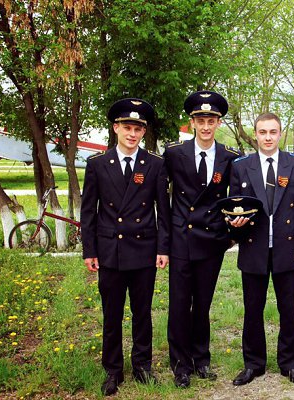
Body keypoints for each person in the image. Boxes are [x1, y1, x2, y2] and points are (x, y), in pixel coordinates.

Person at [81, 98, 171, 396]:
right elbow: (88, 211)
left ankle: (143, 365)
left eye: (138, 129)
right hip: (110, 252)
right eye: (127, 128)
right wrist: (90, 251)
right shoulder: (97, 164)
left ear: (143, 132)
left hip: (144, 249)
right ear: (116, 128)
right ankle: (113, 370)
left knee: (142, 313)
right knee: (112, 314)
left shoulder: (155, 164)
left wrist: (163, 248)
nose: (132, 134)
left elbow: (163, 211)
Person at [228, 113, 294, 386]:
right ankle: (253, 364)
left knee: (288, 308)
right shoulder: (241, 166)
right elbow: (232, 207)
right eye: (262, 132)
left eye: (273, 132)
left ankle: (290, 363)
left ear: (280, 133)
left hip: (287, 248)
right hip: (254, 248)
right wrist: (234, 224)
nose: (267, 137)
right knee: (253, 309)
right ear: (255, 134)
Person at [163, 90, 241, 388]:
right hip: (181, 239)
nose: (206, 126)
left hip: (211, 241)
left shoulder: (229, 156)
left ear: (218, 123)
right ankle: (180, 365)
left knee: (203, 304)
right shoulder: (174, 153)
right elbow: (162, 197)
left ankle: (201, 359)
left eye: (211, 120)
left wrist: (231, 235)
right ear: (192, 122)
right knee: (179, 304)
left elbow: (235, 200)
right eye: (200, 120)